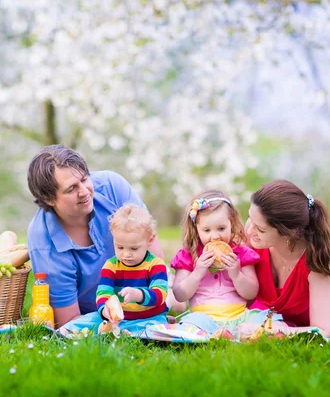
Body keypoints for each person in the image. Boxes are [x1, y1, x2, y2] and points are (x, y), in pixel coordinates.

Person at [27, 144, 180, 328]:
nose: (84, 191)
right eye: (71, 189)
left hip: (143, 292)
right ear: (49, 199)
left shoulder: (111, 187)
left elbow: (154, 258)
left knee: (177, 303)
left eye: (84, 179)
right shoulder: (44, 242)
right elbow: (69, 320)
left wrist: (146, 312)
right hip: (95, 311)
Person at [239, 179, 330, 338]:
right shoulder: (256, 241)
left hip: (328, 318)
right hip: (279, 317)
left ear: (290, 233)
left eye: (260, 229)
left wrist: (269, 330)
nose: (248, 231)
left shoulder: (316, 259)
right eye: (250, 218)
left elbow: (324, 331)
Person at [171, 190, 278, 337]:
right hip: (203, 318)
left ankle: (239, 332)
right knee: (191, 323)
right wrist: (197, 272)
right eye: (207, 230)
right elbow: (180, 295)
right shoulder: (188, 255)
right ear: (196, 228)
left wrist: (236, 274)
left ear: (231, 223)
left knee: (271, 319)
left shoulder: (241, 253)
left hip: (239, 317)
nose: (215, 236)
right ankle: (221, 334)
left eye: (221, 228)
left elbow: (251, 293)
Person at [60, 204, 168, 335]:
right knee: (89, 318)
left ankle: (133, 333)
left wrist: (138, 295)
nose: (126, 254)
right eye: (120, 247)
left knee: (156, 327)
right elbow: (103, 292)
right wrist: (105, 310)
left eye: (134, 248)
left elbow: (160, 295)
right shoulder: (111, 266)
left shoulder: (155, 265)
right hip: (117, 320)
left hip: (149, 317)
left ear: (150, 240)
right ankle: (66, 330)